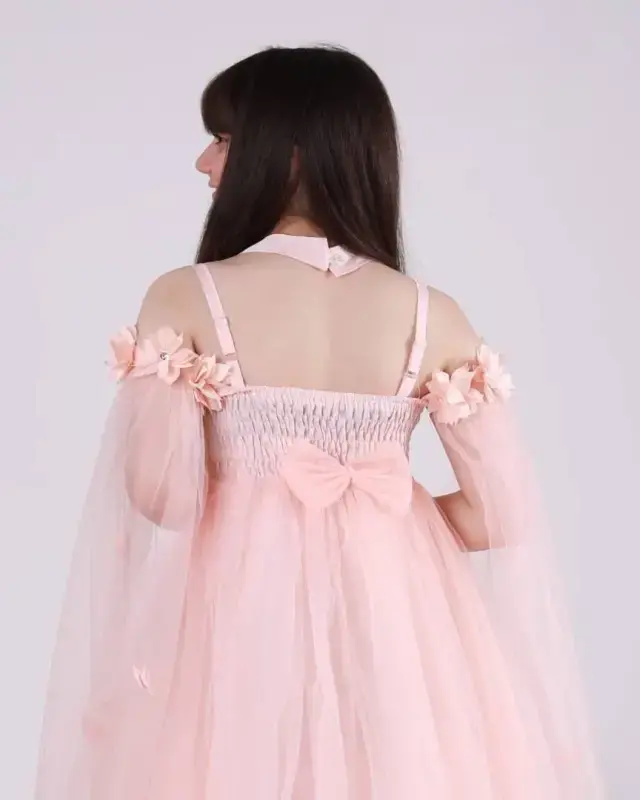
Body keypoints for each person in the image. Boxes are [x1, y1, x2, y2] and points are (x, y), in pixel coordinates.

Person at [35, 45, 604, 799]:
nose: (205, 162)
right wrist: (388, 520)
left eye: (224, 140)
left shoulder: (189, 296)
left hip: (240, 621)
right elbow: (500, 508)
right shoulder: (432, 315)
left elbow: (159, 494)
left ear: (290, 152)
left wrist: (257, 493)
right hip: (396, 626)